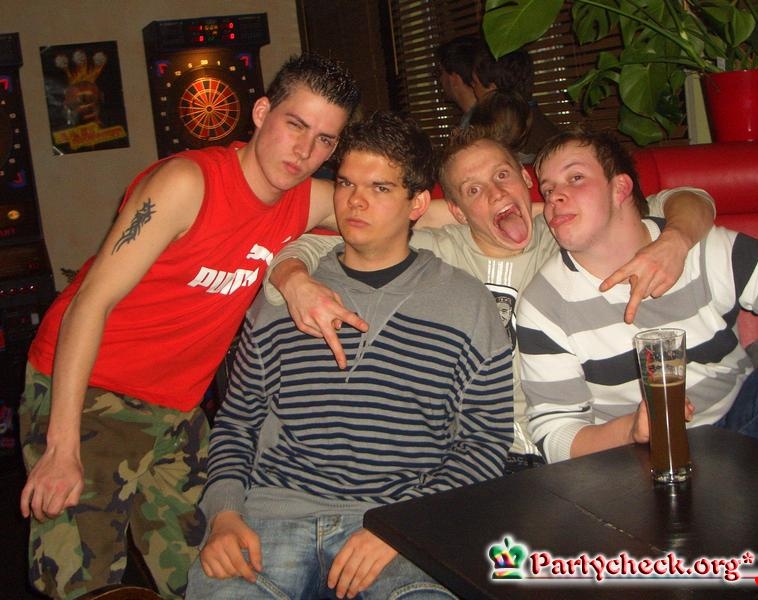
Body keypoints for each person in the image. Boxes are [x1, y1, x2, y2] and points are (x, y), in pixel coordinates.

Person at [17, 53, 361, 600]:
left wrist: (505, 203)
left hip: (178, 408)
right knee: (80, 583)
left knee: (211, 573)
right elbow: (90, 302)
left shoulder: (305, 200)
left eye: (324, 140)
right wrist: (61, 447)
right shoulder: (186, 183)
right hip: (89, 390)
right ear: (262, 112)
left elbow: (405, 210)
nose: (304, 151)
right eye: (296, 125)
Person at [185, 111, 514, 599]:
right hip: (270, 520)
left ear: (417, 203)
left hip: (399, 528)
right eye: (345, 183)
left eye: (380, 188)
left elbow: (485, 441)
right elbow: (238, 422)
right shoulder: (284, 296)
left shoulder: (466, 304)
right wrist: (225, 514)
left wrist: (404, 525)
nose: (355, 201)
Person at [267, 127, 716, 473]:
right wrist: (294, 280)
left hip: (568, 448)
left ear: (525, 179)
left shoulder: (568, 231)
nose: (497, 193)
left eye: (502, 176)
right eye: (473, 190)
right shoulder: (439, 251)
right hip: (472, 455)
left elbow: (685, 199)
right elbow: (327, 246)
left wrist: (675, 240)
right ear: (457, 212)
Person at [518, 127, 758, 464]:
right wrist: (631, 430)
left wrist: (679, 241)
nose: (554, 198)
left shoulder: (705, 248)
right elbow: (555, 436)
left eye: (575, 178)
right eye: (548, 189)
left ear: (620, 188)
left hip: (745, 426)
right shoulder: (544, 304)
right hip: (639, 463)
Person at [470, 46, 559, 154]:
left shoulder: (507, 142)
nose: (472, 87)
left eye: (475, 83)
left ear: (493, 91)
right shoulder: (542, 128)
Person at [435, 35, 481, 127]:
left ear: (454, 79)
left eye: (441, 73)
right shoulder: (492, 116)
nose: (440, 80)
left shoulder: (475, 126)